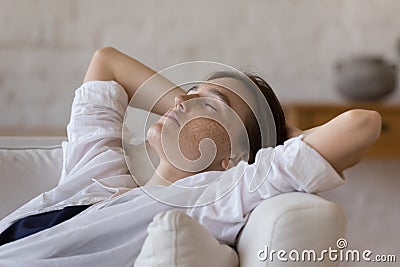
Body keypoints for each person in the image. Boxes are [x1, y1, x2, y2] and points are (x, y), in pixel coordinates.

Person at [0, 47, 381, 265]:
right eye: (189, 90)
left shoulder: (213, 196)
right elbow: (105, 62)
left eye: (210, 104)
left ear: (232, 159)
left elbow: (363, 125)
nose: (183, 99)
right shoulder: (98, 175)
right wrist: (190, 104)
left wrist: (278, 141)